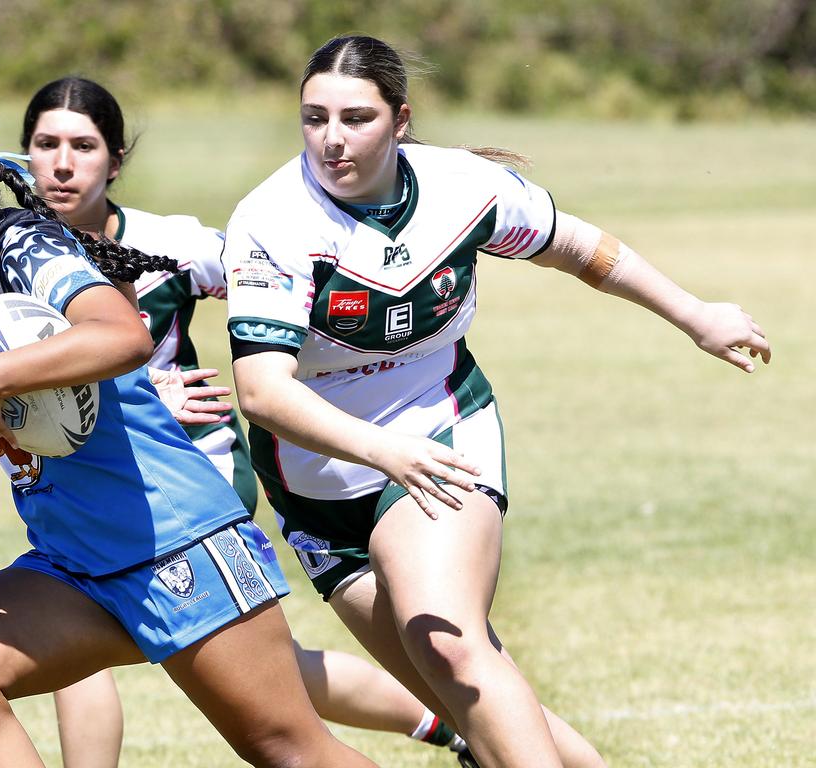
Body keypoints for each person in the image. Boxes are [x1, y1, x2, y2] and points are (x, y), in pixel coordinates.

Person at [221, 35, 772, 768]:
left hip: (442, 429)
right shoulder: (274, 219)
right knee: (465, 685)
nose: (331, 139)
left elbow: (579, 247)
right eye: (314, 118)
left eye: (355, 118)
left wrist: (694, 314)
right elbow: (260, 391)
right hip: (318, 484)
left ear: (401, 119)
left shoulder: (460, 188)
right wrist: (381, 450)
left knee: (445, 639)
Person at [0, 76, 473, 768]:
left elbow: (282, 289)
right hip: (90, 507)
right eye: (45, 144)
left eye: (83, 145)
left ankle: (451, 721)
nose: (63, 163)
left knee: (272, 704)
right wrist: (12, 392)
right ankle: (449, 722)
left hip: (190, 488)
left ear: (116, 160)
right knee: (251, 683)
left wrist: (357, 355)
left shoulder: (162, 244)